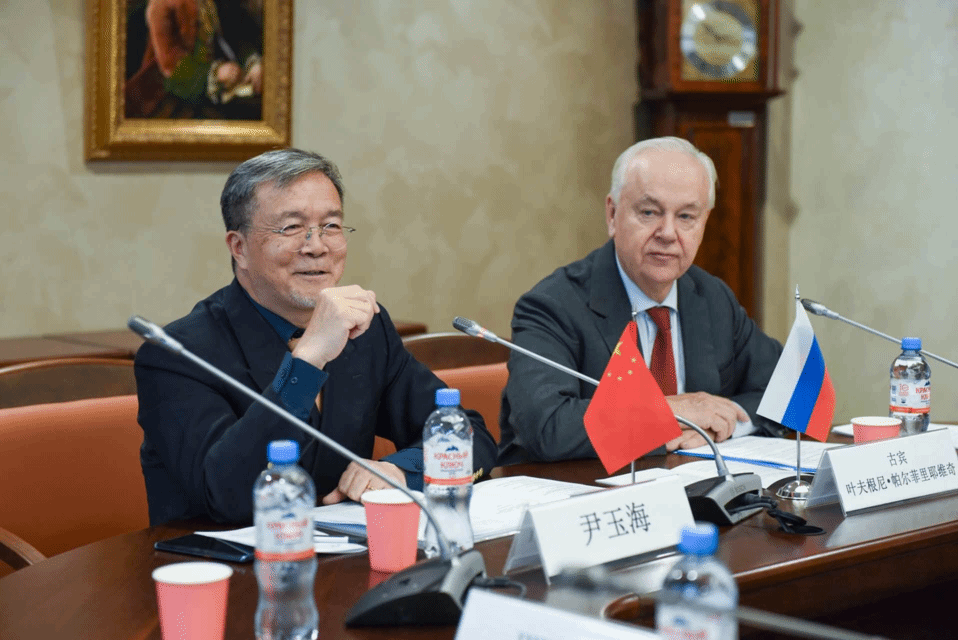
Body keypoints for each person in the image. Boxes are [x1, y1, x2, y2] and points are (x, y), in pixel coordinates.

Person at [135, 148, 497, 525]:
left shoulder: (365, 330)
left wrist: (401, 471)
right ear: (239, 248)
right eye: (291, 228)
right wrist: (307, 361)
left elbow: (470, 436)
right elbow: (228, 498)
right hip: (224, 558)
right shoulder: (178, 354)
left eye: (331, 226)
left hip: (343, 555)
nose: (317, 246)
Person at [498, 136, 785, 465]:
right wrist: (670, 412)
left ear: (704, 222)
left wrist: (722, 423)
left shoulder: (711, 297)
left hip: (691, 486)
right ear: (612, 215)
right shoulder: (553, 305)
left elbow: (793, 389)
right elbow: (547, 426)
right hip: (583, 489)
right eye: (649, 212)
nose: (668, 233)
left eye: (686, 217)